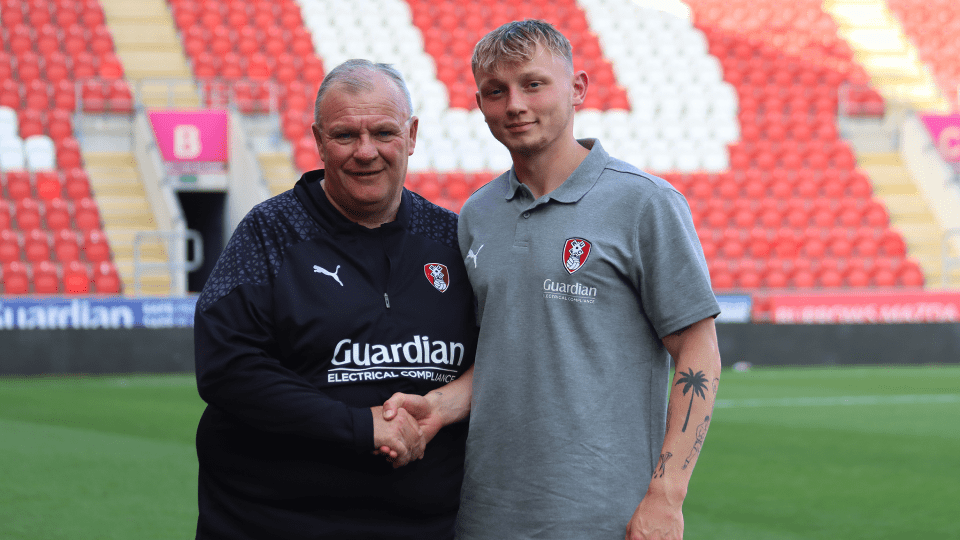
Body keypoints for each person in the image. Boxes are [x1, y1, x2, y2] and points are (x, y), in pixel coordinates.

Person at [381, 20, 722, 540]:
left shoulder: (644, 203)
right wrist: (440, 407)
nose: (514, 104)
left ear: (578, 88)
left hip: (608, 518)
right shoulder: (477, 214)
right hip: (487, 514)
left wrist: (666, 495)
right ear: (480, 104)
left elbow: (699, 351)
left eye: (533, 84)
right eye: (496, 91)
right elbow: (504, 352)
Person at [193, 59, 477, 540]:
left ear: (411, 135)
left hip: (427, 527)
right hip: (273, 523)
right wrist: (360, 427)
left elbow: (508, 352)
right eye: (345, 135)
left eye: (384, 133)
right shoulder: (268, 234)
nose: (366, 152)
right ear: (319, 140)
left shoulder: (454, 238)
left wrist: (443, 406)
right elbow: (227, 366)